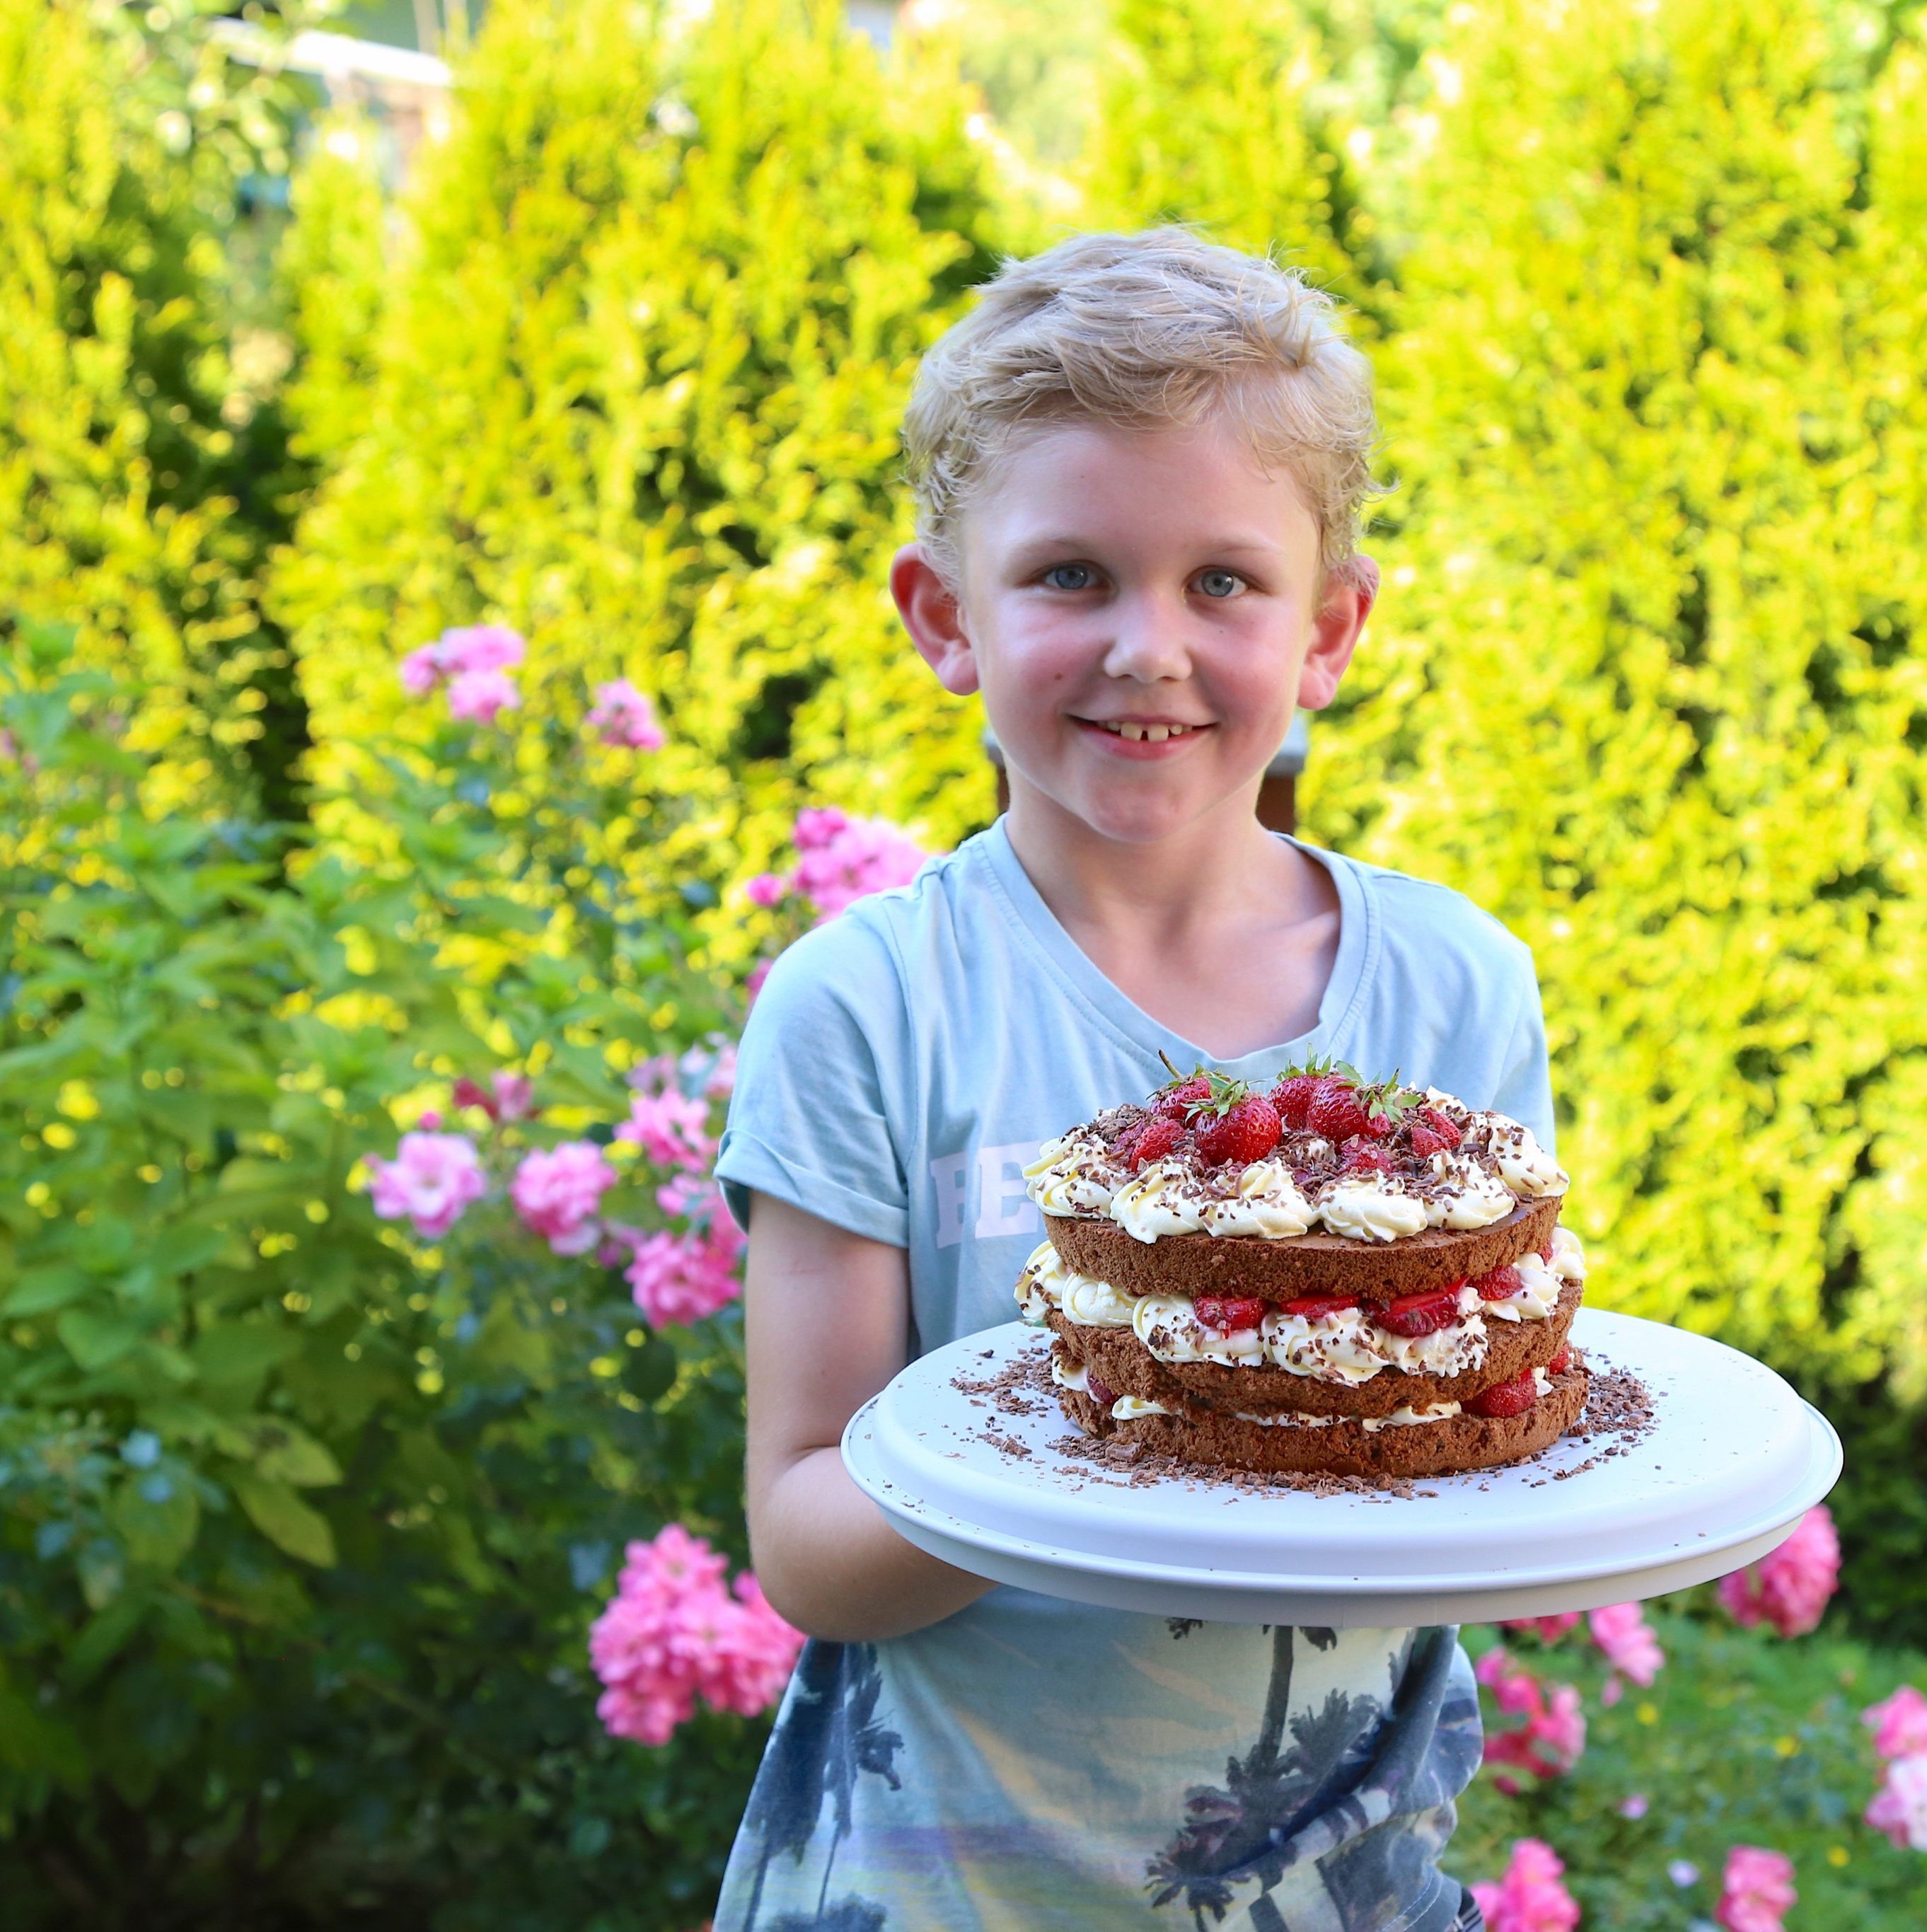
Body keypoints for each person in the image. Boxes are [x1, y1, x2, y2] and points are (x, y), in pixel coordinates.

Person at [713, 228, 1557, 1932]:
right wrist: (1126, 1429)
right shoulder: (869, 1007)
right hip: (938, 1888)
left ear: (1329, 632)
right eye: (1072, 576)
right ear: (945, 617)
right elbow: (807, 1538)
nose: (1147, 647)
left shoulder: (1454, 990)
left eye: (1222, 583)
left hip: (1342, 1887)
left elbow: (1501, 1427)